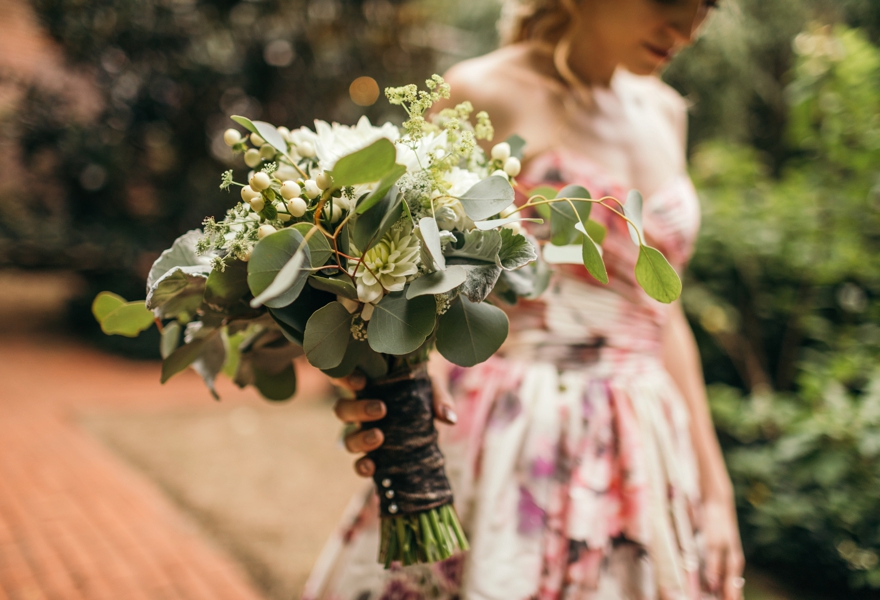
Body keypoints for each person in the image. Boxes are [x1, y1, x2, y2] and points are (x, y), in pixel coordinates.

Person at [304, 0, 745, 598]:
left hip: (645, 443)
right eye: (669, 0)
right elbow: (401, 281)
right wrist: (390, 384)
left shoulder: (666, 112)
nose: (689, 29)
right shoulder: (483, 92)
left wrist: (717, 494)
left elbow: (662, 313)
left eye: (707, 6)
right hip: (509, 436)